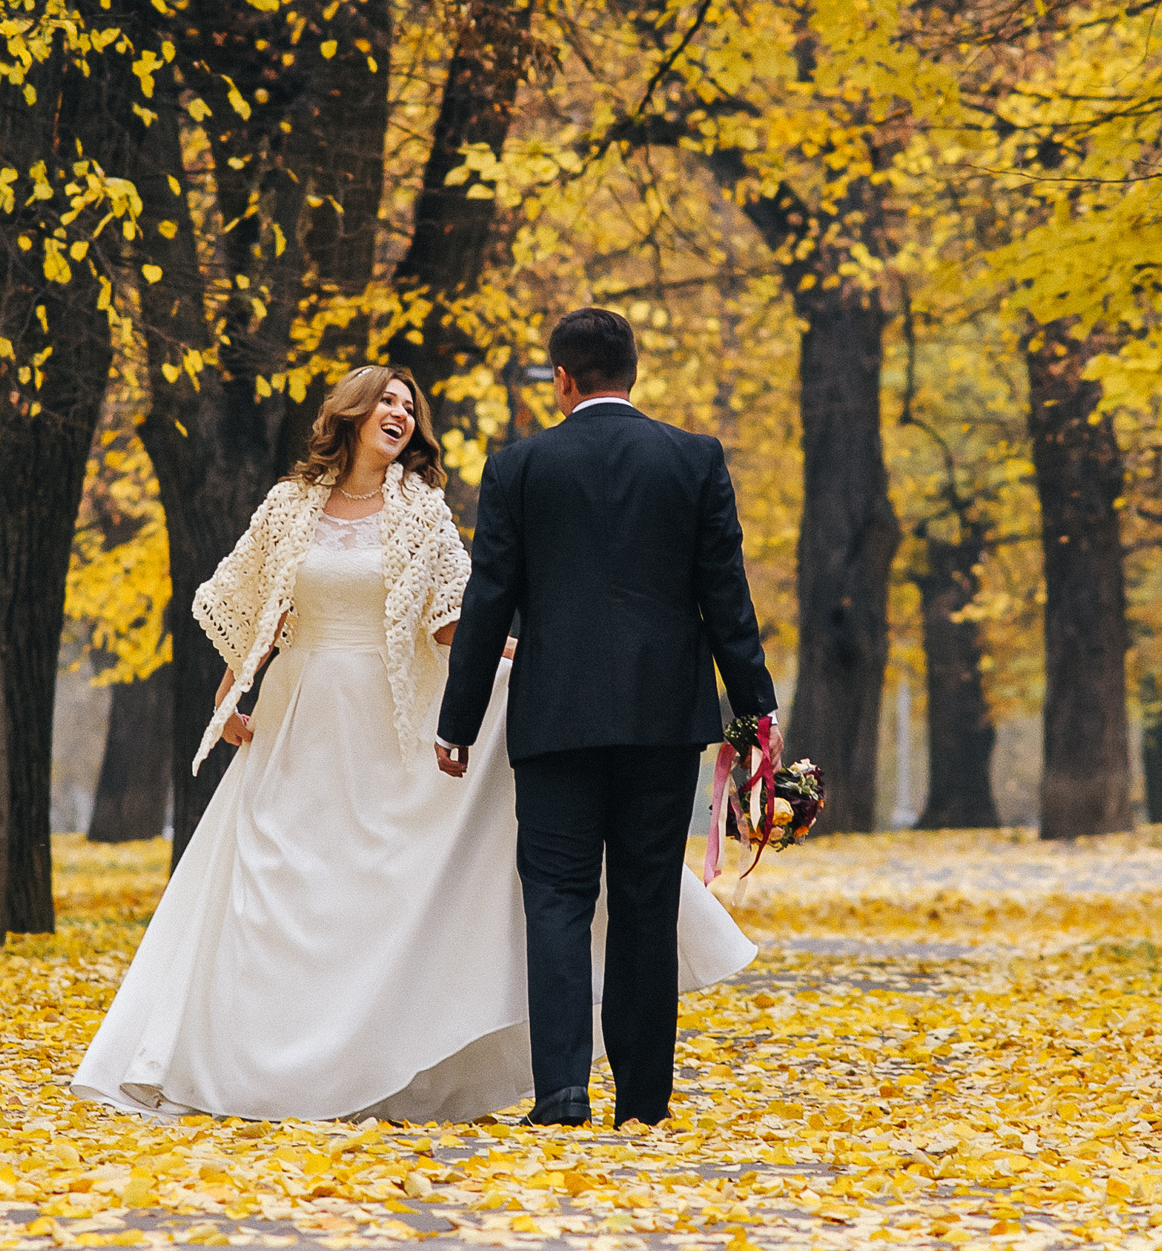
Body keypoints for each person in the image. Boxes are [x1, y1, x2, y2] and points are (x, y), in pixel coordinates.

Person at [73, 364, 755, 1123]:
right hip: (300, 716)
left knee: (369, 893)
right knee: (273, 887)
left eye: (409, 402)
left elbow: (458, 621)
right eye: (387, 400)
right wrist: (233, 688)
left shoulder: (420, 512)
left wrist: (542, 657)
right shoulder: (287, 505)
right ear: (353, 413)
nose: (400, 411)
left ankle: (372, 1064)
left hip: (386, 718)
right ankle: (252, 1068)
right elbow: (258, 603)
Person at [439, 307, 778, 1129]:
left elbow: (490, 602)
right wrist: (755, 712)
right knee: (643, 900)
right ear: (634, 370)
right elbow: (725, 596)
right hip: (665, 720)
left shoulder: (518, 466)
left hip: (555, 719)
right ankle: (644, 1098)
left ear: (562, 377)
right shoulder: (693, 459)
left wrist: (459, 718)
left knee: (554, 897)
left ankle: (561, 1092)